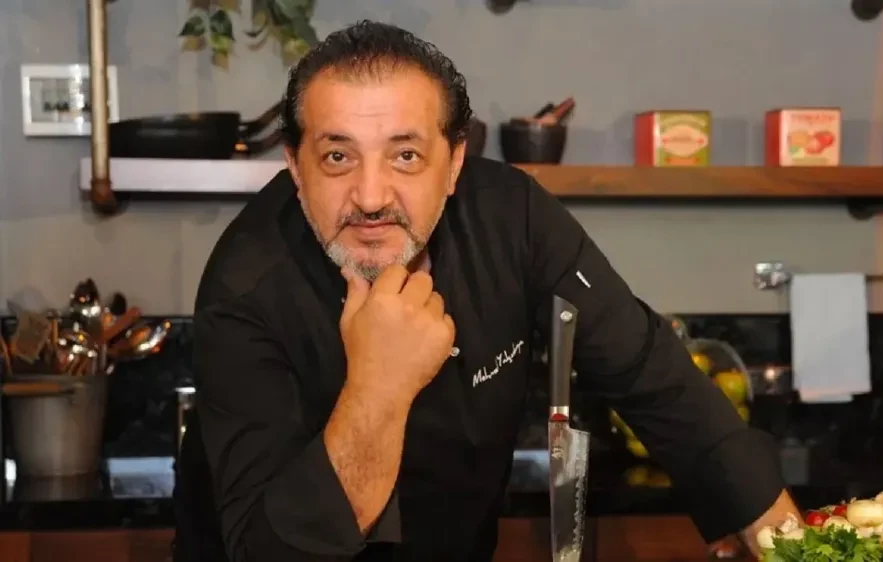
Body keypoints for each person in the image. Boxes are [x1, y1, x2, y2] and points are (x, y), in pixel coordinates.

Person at [172, 19, 801, 562]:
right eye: (338, 157)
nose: (370, 197)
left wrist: (789, 541)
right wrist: (379, 386)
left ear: (453, 163)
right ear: (295, 166)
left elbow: (646, 370)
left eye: (405, 156)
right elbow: (273, 549)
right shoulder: (244, 285)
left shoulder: (514, 218)